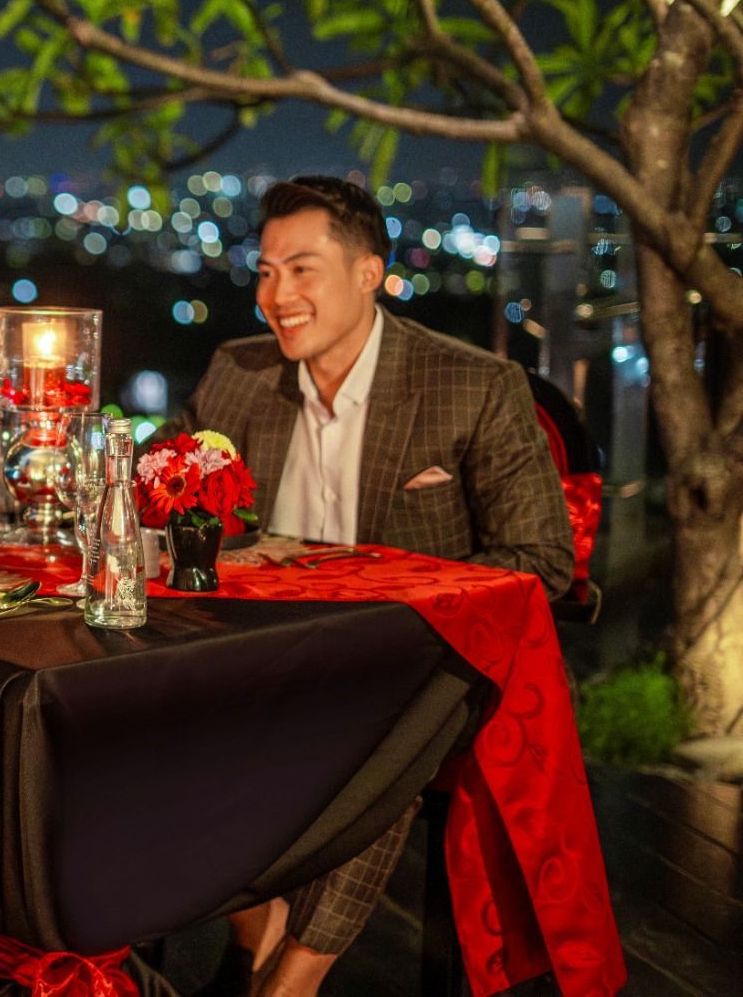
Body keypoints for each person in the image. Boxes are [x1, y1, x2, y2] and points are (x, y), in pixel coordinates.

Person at [171, 175, 571, 997]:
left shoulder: (471, 384)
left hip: (414, 662)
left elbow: (543, 557)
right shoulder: (238, 372)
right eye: (266, 272)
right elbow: (166, 493)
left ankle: (292, 979)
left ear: (368, 274)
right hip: (262, 651)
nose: (276, 296)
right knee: (140, 714)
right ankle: (259, 936)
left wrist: (387, 593)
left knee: (383, 719)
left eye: (302, 269)